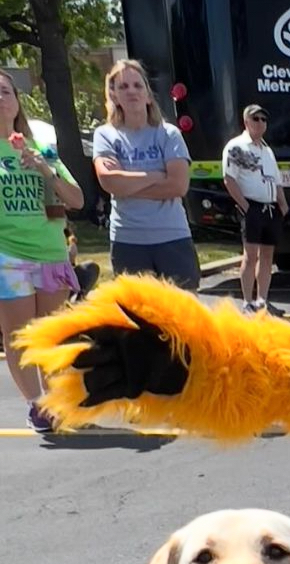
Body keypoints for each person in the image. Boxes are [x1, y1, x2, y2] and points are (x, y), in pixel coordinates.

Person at [0, 70, 85, 431]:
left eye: (5, 91)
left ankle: (55, 400)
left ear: (17, 102)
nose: (0, 98)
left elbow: (77, 199)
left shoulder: (40, 148)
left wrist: (45, 170)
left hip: (49, 251)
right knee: (19, 334)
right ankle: (38, 405)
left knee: (52, 334)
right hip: (9, 254)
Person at [92, 59, 200, 290]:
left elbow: (178, 187)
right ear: (114, 96)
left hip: (173, 237)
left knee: (184, 318)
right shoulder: (105, 135)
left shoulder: (169, 134)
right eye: (123, 87)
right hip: (128, 240)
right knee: (138, 319)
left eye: (137, 85)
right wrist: (156, 175)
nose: (131, 91)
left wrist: (128, 183)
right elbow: (109, 182)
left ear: (148, 95)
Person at [222, 104, 289, 314]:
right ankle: (247, 301)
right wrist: (246, 206)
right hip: (252, 207)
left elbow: (276, 180)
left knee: (267, 256)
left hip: (271, 208)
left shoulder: (267, 150)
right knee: (250, 256)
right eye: (255, 119)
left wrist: (282, 203)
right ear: (246, 122)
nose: (260, 123)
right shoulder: (237, 147)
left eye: (263, 119)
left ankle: (262, 299)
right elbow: (229, 179)